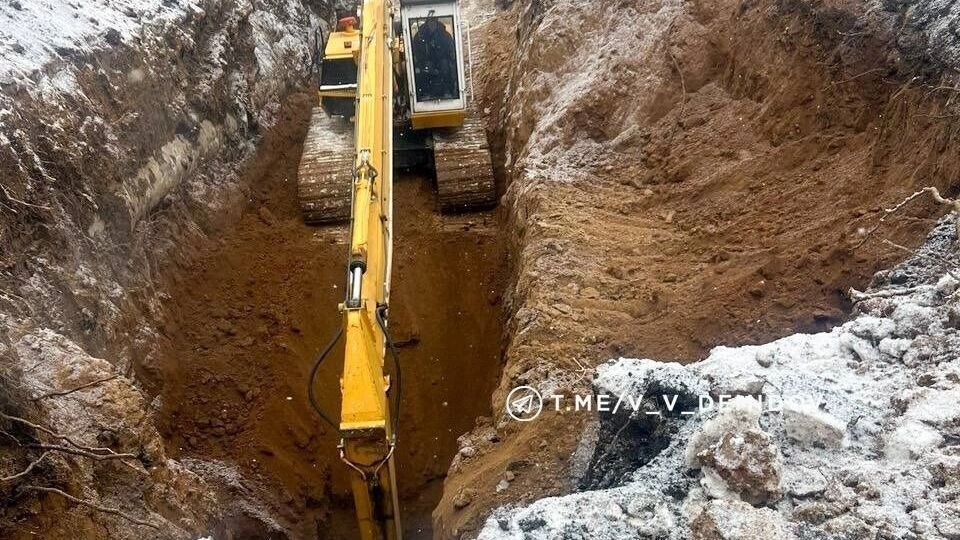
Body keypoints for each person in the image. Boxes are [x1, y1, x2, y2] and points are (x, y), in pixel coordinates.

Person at [411, 17, 459, 101]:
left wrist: (446, 60)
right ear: (427, 22)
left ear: (437, 22)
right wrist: (424, 63)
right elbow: (416, 54)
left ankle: (448, 91)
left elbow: (451, 52)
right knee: (423, 69)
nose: (432, 24)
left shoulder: (445, 36)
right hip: (425, 64)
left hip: (442, 62)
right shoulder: (418, 37)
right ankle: (424, 93)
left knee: (446, 66)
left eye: (434, 21)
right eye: (430, 21)